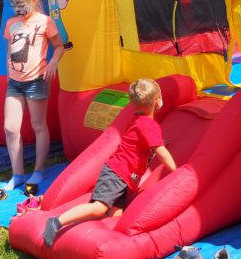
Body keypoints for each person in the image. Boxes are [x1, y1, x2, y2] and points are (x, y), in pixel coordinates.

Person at [43, 78, 176, 247]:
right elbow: (161, 153)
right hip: (117, 173)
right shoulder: (149, 125)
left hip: (125, 178)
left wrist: (159, 142)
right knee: (99, 208)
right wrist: (175, 171)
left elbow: (140, 141)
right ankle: (57, 221)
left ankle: (96, 239)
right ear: (157, 100)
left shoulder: (139, 120)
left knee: (116, 216)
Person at [3, 0, 63, 192]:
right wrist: (9, 73)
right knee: (10, 128)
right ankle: (18, 174)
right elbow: (9, 49)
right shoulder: (11, 24)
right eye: (13, 5)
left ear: (34, 1)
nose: (17, 9)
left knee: (38, 125)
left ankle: (38, 170)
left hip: (36, 80)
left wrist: (53, 62)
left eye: (21, 4)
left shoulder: (44, 21)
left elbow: (59, 46)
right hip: (14, 82)